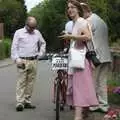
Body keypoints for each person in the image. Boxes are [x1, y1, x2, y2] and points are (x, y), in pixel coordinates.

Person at [59, 0, 98, 120]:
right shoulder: (75, 23)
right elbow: (79, 37)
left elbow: (88, 37)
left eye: (73, 7)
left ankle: (78, 117)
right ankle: (84, 115)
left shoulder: (81, 21)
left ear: (78, 9)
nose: (70, 10)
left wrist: (70, 36)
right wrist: (70, 34)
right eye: (68, 8)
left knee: (80, 90)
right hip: (77, 61)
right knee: (82, 89)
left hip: (81, 62)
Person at [80, 2, 112, 113]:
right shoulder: (101, 20)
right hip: (106, 55)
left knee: (92, 81)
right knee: (102, 81)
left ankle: (93, 105)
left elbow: (85, 38)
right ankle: (104, 105)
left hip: (96, 56)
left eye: (81, 13)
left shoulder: (88, 21)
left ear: (85, 11)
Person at [11, 16, 46, 112]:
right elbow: (14, 47)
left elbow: (43, 43)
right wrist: (16, 59)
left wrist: (41, 53)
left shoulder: (37, 33)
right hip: (22, 60)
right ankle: (20, 102)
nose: (32, 29)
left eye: (34, 27)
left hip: (34, 60)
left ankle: (27, 101)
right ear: (26, 25)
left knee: (31, 82)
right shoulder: (19, 33)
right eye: (31, 27)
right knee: (21, 81)